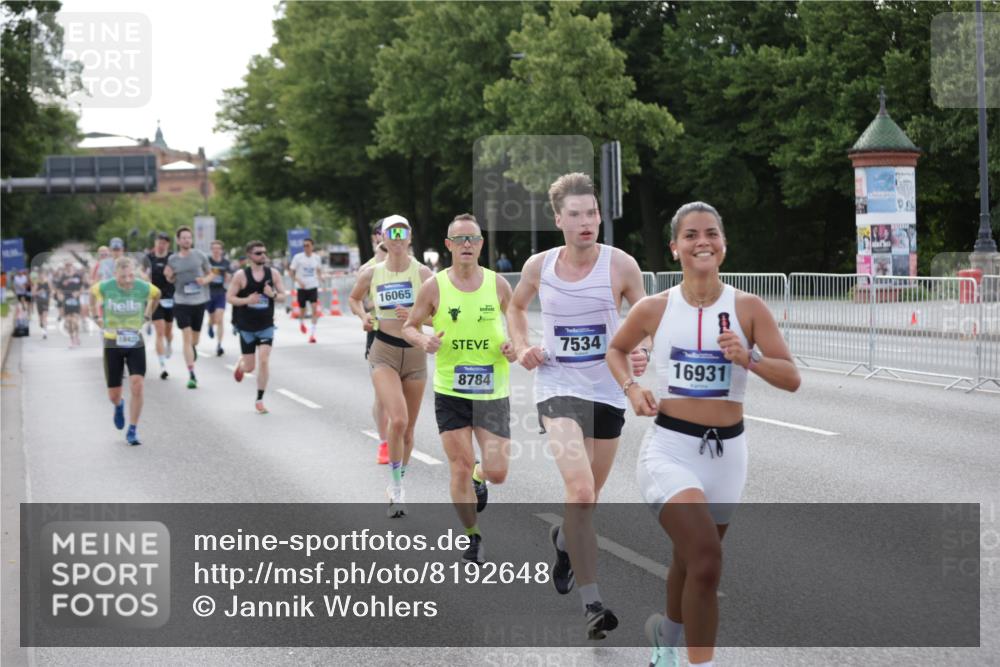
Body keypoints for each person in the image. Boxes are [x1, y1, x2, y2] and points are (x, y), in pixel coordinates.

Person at [607, 202, 800, 667]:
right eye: (690, 235)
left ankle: (666, 641)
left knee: (690, 560)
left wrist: (749, 358)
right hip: (669, 449)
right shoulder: (655, 308)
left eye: (711, 233)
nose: (702, 242)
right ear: (675, 248)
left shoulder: (749, 308)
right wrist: (632, 389)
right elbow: (616, 350)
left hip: (727, 455)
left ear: (724, 245)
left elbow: (791, 377)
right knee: (707, 560)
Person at [507, 172, 650, 640]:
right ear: (558, 220)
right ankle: (594, 606)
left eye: (592, 213)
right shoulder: (539, 266)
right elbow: (515, 307)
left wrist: (642, 346)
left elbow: (644, 317)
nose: (587, 222)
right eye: (576, 215)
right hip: (557, 384)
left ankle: (564, 543)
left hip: (608, 389)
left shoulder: (621, 264)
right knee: (582, 491)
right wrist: (523, 343)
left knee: (585, 505)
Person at [402, 214, 517, 564]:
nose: (467, 245)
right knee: (460, 465)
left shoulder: (499, 285)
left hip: (492, 390)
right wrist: (424, 340)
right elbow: (409, 325)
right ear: (449, 245)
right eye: (460, 239)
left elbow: (518, 325)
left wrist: (514, 344)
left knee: (497, 472)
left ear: (482, 244)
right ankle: (473, 536)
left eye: (473, 239)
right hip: (451, 390)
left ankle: (482, 477)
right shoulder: (434, 286)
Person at [349, 215, 433, 518]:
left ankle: (398, 480)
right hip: (382, 349)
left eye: (403, 232)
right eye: (391, 233)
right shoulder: (372, 273)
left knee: (409, 430)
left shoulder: (423, 273)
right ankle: (397, 491)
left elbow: (439, 317)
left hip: (414, 354)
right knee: (396, 420)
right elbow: (354, 298)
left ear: (409, 237)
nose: (397, 238)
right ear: (382, 238)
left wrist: (416, 315)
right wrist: (363, 317)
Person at [90, 256, 161, 446]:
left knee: (137, 384)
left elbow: (157, 294)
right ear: (115, 275)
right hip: (113, 343)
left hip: (134, 340)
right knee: (113, 395)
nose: (128, 280)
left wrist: (148, 314)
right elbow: (91, 294)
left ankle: (133, 429)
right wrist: (96, 316)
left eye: (130, 275)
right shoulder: (105, 287)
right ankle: (119, 404)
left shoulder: (141, 286)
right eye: (123, 277)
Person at [228, 240, 284, 414]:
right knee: (250, 367)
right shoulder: (241, 276)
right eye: (259, 253)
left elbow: (283, 296)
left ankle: (259, 399)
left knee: (265, 359)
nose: (263, 256)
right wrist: (247, 300)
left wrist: (272, 294)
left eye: (264, 252)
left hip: (266, 324)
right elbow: (230, 297)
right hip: (246, 326)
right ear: (250, 256)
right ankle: (241, 365)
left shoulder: (273, 273)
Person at [164, 226, 213, 389]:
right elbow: (171, 279)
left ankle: (192, 349)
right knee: (186, 336)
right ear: (178, 240)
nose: (186, 240)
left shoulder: (200, 256)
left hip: (199, 301)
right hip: (181, 302)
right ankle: (191, 374)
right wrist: (169, 276)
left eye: (189, 238)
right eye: (183, 238)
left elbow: (211, 273)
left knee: (195, 340)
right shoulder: (172, 260)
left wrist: (204, 281)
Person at [360, 219, 390, 464]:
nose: (386, 237)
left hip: (406, 337)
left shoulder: (411, 266)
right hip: (379, 336)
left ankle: (401, 436)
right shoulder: (368, 268)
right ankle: (384, 442)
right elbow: (362, 304)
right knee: (382, 395)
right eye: (381, 233)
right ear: (374, 238)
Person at [146, 233, 175, 379]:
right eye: (159, 241)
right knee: (160, 331)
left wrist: (172, 275)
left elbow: (178, 276)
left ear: (168, 244)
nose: (161, 244)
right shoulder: (148, 258)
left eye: (164, 242)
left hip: (170, 298)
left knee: (168, 332)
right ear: (155, 242)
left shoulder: (172, 258)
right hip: (154, 299)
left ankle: (169, 343)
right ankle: (162, 365)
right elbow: (141, 275)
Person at [289, 237, 323, 343]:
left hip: (313, 286)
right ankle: (301, 323)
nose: (305, 247)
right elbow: (291, 272)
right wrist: (298, 280)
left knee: (314, 308)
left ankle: (312, 335)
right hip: (301, 288)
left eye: (307, 245)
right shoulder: (298, 257)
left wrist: (320, 277)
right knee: (302, 310)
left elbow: (318, 270)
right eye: (304, 245)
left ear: (312, 246)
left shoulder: (317, 258)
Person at [206, 240, 232, 356]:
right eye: (214, 248)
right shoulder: (207, 261)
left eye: (218, 248)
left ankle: (219, 345)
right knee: (213, 318)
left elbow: (229, 274)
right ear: (211, 250)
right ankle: (210, 325)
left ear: (221, 250)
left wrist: (228, 278)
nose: (216, 250)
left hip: (221, 293)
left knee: (219, 318)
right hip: (208, 293)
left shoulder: (226, 262)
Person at [57, 260, 85, 347]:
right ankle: (72, 339)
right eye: (67, 265)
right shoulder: (62, 278)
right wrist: (60, 297)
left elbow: (82, 287)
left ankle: (77, 336)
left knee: (75, 321)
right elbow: (58, 290)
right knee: (69, 321)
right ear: (65, 267)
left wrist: (78, 293)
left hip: (75, 301)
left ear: (72, 266)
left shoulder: (78, 276)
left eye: (70, 265)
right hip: (67, 301)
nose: (68, 267)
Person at [32, 271, 52, 339]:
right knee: (40, 318)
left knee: (45, 317)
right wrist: (39, 292)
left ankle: (45, 333)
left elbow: (51, 291)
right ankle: (41, 324)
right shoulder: (37, 283)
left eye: (43, 275)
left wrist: (49, 297)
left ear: (44, 275)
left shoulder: (47, 282)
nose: (41, 276)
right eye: (40, 275)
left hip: (45, 302)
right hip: (39, 302)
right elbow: (33, 293)